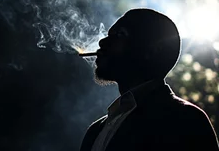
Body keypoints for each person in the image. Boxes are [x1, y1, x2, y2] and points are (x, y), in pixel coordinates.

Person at [80, 8, 219, 151]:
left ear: (152, 50)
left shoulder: (187, 120)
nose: (102, 42)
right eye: (109, 35)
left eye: (120, 34)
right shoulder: (96, 130)